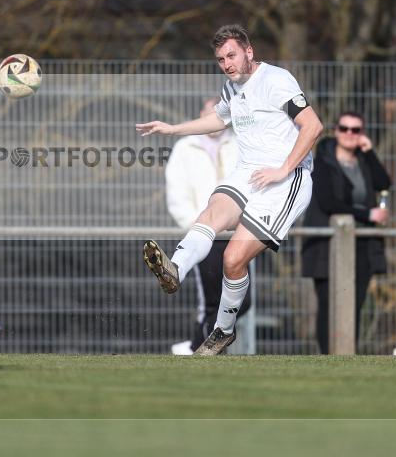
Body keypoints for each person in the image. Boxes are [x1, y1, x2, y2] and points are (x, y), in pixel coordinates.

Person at [137, 24, 323, 355]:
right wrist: (173, 129)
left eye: (232, 55)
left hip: (285, 181)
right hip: (248, 171)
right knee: (211, 213)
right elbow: (219, 120)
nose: (227, 64)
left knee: (233, 259)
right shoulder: (231, 89)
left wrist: (284, 169)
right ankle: (175, 268)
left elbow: (313, 126)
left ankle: (223, 331)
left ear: (249, 52)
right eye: (221, 59)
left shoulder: (276, 80)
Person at [165, 97, 251, 355]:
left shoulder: (240, 144)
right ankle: (200, 348)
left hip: (238, 232)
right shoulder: (185, 148)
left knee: (243, 301)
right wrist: (196, 225)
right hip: (205, 234)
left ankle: (194, 346)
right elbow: (176, 193)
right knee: (212, 300)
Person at [301, 111, 390, 354]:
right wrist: (367, 215)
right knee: (329, 303)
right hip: (327, 245)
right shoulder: (322, 162)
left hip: (362, 243)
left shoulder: (363, 160)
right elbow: (329, 203)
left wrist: (369, 152)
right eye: (344, 128)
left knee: (355, 304)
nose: (350, 134)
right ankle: (327, 357)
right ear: (336, 131)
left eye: (356, 130)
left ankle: (348, 355)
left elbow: (384, 182)